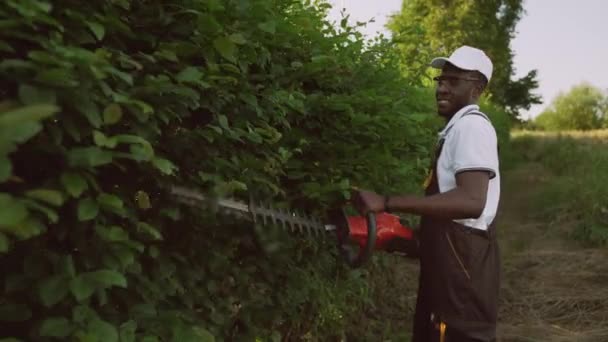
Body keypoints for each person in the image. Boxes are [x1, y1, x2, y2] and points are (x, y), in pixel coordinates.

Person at [353, 46, 501, 342]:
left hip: (461, 279)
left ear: (477, 88)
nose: (442, 88)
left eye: (453, 82)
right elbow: (450, 217)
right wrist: (400, 238)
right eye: (440, 81)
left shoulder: (472, 127)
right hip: (451, 268)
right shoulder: (456, 129)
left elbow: (471, 202)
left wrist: (386, 202)